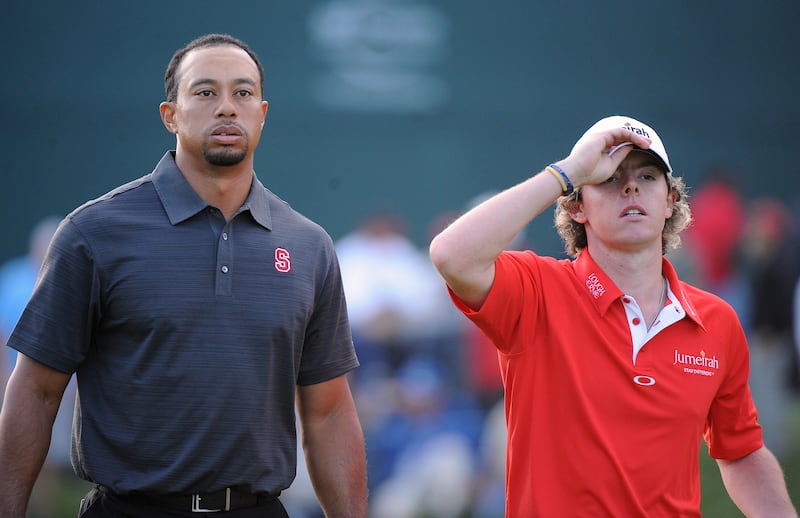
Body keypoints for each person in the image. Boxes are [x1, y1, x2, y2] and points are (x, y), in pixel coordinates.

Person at [0, 33, 367, 518]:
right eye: (205, 92)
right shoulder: (95, 233)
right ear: (170, 115)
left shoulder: (309, 245)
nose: (227, 108)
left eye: (242, 93)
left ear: (262, 114)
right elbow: (36, 391)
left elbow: (329, 412)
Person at [428, 115, 797, 517]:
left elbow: (741, 452)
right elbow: (453, 256)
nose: (631, 186)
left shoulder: (716, 321)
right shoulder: (537, 289)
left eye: (648, 176)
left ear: (671, 200)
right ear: (576, 206)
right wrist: (569, 171)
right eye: (608, 178)